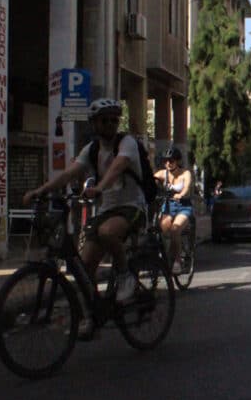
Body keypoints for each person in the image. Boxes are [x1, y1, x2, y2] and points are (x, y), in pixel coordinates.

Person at [23, 98, 145, 313]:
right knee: (84, 266)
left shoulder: (127, 143)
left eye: (113, 120)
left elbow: (117, 168)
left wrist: (99, 188)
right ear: (94, 124)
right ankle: (93, 314)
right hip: (107, 210)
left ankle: (126, 277)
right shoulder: (91, 149)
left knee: (107, 233)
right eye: (104, 120)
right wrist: (41, 190)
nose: (109, 125)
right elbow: (69, 173)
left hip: (132, 207)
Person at [153, 146, 194, 273]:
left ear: (177, 161)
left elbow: (187, 187)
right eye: (166, 161)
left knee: (175, 229)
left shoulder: (185, 173)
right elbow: (150, 181)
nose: (168, 163)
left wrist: (181, 194)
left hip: (183, 206)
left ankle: (177, 261)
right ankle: (166, 256)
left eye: (171, 160)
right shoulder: (162, 174)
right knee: (163, 229)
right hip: (168, 206)